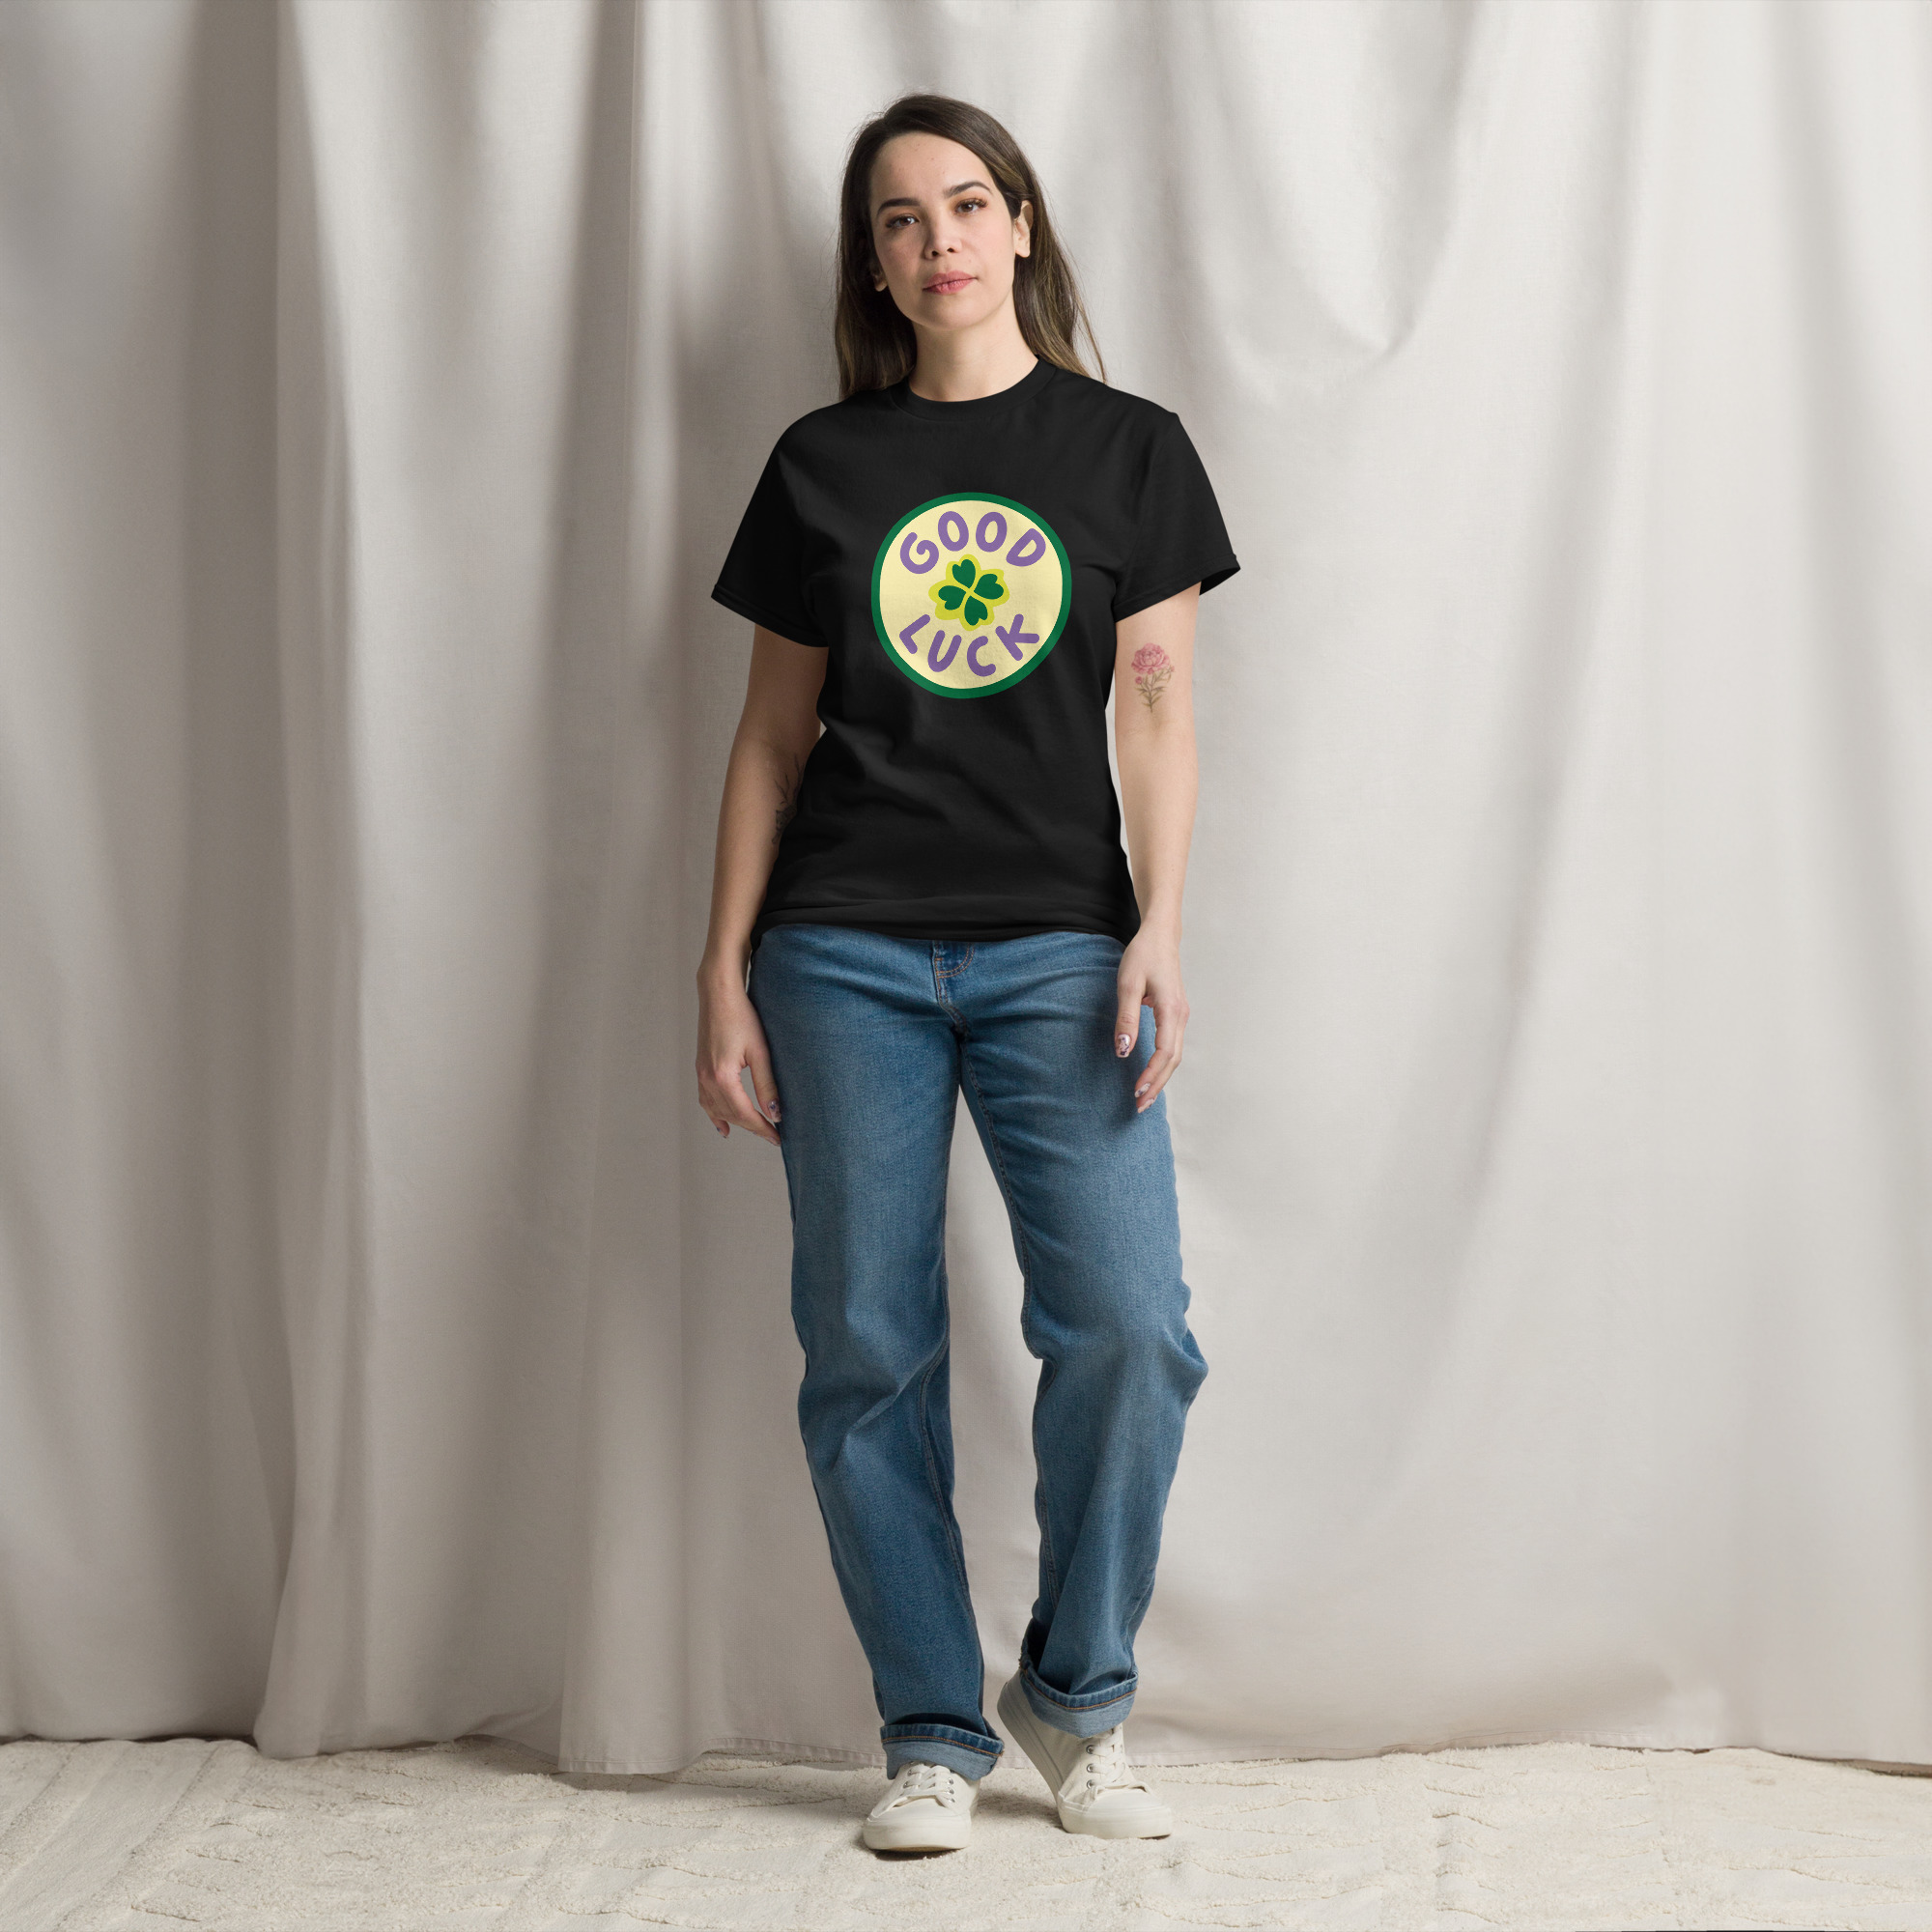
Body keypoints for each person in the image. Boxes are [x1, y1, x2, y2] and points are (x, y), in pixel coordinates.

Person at [696, 92, 1239, 1857]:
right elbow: (770, 741)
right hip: (838, 951)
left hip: (1063, 947)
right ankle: (931, 1726)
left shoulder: (1129, 452)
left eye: (967, 204)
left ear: (1021, 225)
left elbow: (1157, 713)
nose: (939, 240)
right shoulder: (822, 464)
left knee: (1131, 1333)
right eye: (900, 219)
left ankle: (1074, 1697)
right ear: (875, 264)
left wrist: (1161, 922)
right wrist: (722, 970)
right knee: (865, 1345)